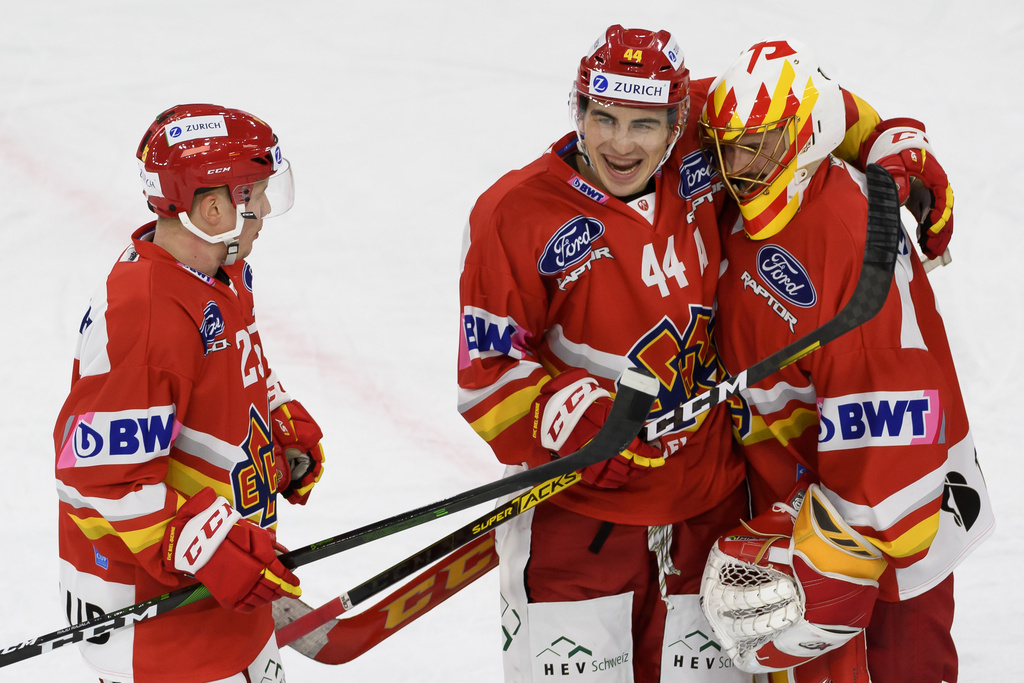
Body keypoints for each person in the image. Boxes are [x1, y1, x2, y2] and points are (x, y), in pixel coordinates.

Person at [456, 26, 938, 683]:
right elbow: (486, 374)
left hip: (709, 515)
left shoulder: (707, 138)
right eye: (604, 117)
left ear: (681, 118)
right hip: (582, 520)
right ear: (580, 110)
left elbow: (807, 103)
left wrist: (892, 143)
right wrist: (567, 414)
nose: (621, 144)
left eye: (645, 125)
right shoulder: (513, 214)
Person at [696, 39, 994, 683]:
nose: (740, 164)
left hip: (889, 524)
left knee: (899, 662)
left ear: (807, 140)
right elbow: (836, 110)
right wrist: (885, 134)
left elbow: (897, 474)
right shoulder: (760, 165)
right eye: (731, 145)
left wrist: (827, 575)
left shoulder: (848, 257)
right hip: (809, 483)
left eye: (761, 145)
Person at [54, 103, 327, 683]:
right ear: (211, 208)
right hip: (162, 638)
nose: (264, 213)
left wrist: (275, 420)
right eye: (253, 194)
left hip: (224, 608)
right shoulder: (149, 319)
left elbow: (234, 371)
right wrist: (208, 547)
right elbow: (102, 476)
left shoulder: (217, 274)